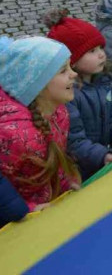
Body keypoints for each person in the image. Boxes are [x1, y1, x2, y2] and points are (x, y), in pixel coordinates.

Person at [45, 11, 112, 180]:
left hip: (103, 162)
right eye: (91, 51)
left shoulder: (104, 82)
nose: (101, 54)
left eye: (101, 47)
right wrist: (101, 155)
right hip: (82, 174)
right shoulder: (68, 97)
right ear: (71, 61)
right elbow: (74, 142)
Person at [0, 36, 80, 212]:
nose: (74, 73)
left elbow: (53, 159)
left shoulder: (59, 112)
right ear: (37, 84)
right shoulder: (14, 136)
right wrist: (27, 209)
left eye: (70, 66)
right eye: (62, 71)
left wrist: (65, 183)